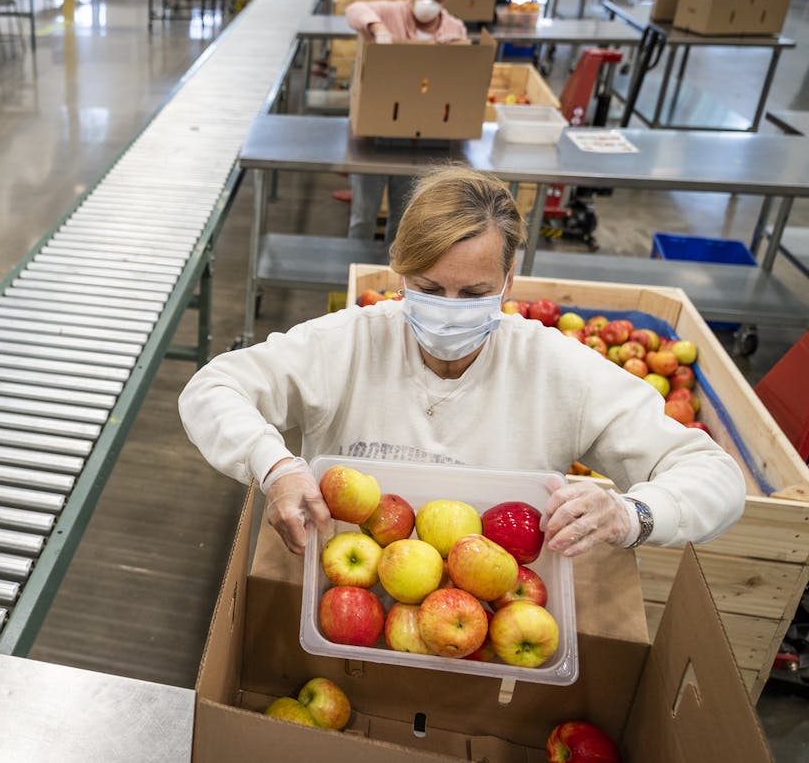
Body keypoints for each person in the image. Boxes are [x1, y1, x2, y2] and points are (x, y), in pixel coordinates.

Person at [179, 167, 745, 557]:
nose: (449, 312)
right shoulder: (348, 344)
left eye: (474, 294)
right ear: (400, 275)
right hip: (338, 592)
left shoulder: (552, 368)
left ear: (508, 281)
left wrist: (633, 515)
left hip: (495, 621)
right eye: (428, 288)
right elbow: (212, 389)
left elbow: (715, 475)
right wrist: (274, 465)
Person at [343, 0, 467, 245]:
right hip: (374, 135)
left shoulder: (454, 29)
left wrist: (460, 52)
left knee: (403, 221)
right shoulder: (391, 13)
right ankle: (351, 278)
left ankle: (392, 284)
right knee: (363, 215)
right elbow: (354, 10)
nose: (427, 3)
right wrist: (377, 28)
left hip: (421, 140)